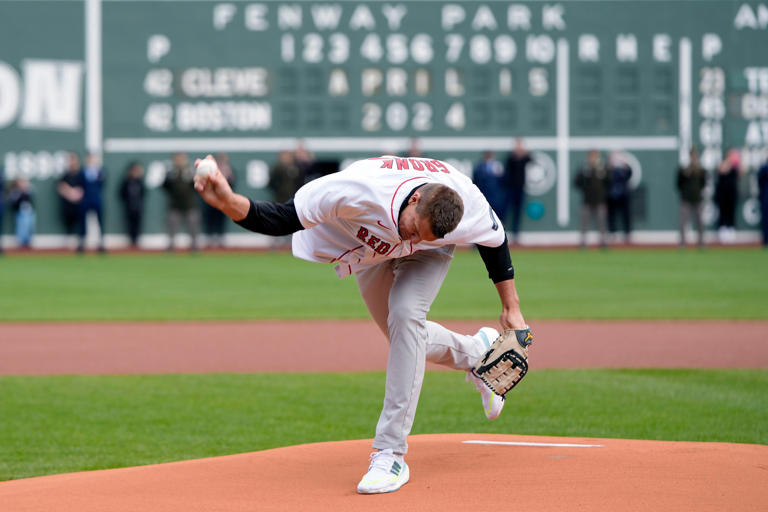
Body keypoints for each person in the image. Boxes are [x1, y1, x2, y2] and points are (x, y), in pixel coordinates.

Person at [193, 154, 530, 495]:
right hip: (369, 249)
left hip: (428, 256)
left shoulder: (465, 205)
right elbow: (278, 218)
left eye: (421, 235)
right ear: (414, 199)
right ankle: (479, 354)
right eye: (413, 229)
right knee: (404, 340)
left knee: (405, 315)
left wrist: (511, 308)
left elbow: (495, 240)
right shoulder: (359, 190)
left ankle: (391, 453)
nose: (411, 238)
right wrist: (228, 202)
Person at [163, 152, 200, 251]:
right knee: (172, 229)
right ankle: (171, 247)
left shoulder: (190, 171)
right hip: (174, 205)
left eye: (181, 158)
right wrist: (171, 178)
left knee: (193, 228)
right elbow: (165, 186)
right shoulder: (171, 172)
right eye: (177, 159)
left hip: (189, 205)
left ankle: (194, 247)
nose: (179, 161)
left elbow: (197, 187)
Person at [574, 150, 609, 248]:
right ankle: (583, 243)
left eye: (595, 156)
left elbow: (609, 182)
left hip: (600, 200)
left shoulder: (602, 168)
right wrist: (585, 175)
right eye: (591, 156)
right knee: (584, 223)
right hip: (587, 200)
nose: (593, 159)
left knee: (602, 223)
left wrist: (603, 173)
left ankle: (603, 242)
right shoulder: (584, 169)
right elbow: (576, 183)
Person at [202, 153, 236, 248]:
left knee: (221, 220)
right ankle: (210, 238)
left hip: (223, 200)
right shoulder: (211, 170)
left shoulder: (228, 170)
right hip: (212, 200)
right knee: (210, 220)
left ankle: (221, 238)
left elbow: (233, 183)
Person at [676, 148, 707, 248]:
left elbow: (703, 183)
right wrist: (687, 172)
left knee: (700, 222)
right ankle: (682, 243)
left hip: (697, 199)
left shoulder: (700, 169)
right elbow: (678, 183)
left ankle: (701, 243)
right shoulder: (684, 169)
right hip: (686, 199)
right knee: (683, 222)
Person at [505, 138, 531, 244]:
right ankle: (501, 234)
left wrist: (523, 153)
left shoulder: (524, 158)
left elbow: (530, 159)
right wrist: (517, 154)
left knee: (517, 213)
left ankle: (516, 236)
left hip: (520, 189)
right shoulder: (511, 157)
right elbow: (509, 165)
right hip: (510, 189)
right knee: (505, 213)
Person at [57, 152, 85, 252]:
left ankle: (80, 242)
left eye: (73, 160)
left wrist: (77, 194)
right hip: (67, 204)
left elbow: (85, 188)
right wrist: (69, 193)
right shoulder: (65, 174)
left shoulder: (82, 173)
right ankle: (68, 242)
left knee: (80, 223)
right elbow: (60, 186)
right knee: (68, 223)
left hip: (79, 203)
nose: (71, 162)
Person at [472, 151, 508, 226]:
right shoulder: (479, 167)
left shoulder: (498, 167)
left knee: (498, 217)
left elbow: (504, 182)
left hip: (496, 198)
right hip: (484, 196)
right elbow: (476, 181)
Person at [81, 152, 107, 252]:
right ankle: (83, 242)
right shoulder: (83, 172)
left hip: (97, 199)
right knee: (83, 222)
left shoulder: (101, 172)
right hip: (86, 199)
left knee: (100, 221)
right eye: (89, 159)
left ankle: (101, 242)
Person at [714, 148, 741, 244]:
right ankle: (722, 231)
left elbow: (741, 172)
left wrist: (740, 159)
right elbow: (722, 170)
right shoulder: (723, 163)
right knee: (722, 212)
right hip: (722, 194)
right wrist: (729, 161)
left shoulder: (735, 166)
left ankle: (731, 230)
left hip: (731, 194)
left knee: (731, 212)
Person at [606, 152, 633, 244]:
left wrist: (625, 166)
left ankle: (627, 233)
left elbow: (629, 175)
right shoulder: (609, 169)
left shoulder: (624, 169)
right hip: (611, 195)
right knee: (611, 215)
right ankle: (612, 233)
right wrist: (610, 167)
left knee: (626, 215)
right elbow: (607, 179)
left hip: (623, 194)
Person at [119, 161, 146, 248]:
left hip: (138, 206)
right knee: (129, 224)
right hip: (129, 206)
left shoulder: (140, 181)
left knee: (138, 224)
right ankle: (131, 240)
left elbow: (143, 193)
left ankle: (136, 240)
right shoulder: (126, 181)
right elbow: (121, 193)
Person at [8, 178, 35, 249]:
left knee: (29, 226)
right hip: (19, 211)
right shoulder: (15, 191)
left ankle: (27, 242)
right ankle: (21, 243)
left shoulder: (28, 190)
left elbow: (31, 197)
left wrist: (25, 190)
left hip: (29, 211)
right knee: (21, 227)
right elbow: (14, 201)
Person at [758, 155, 768, 247]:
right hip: (766, 197)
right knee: (766, 220)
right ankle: (766, 240)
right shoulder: (764, 168)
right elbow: (759, 180)